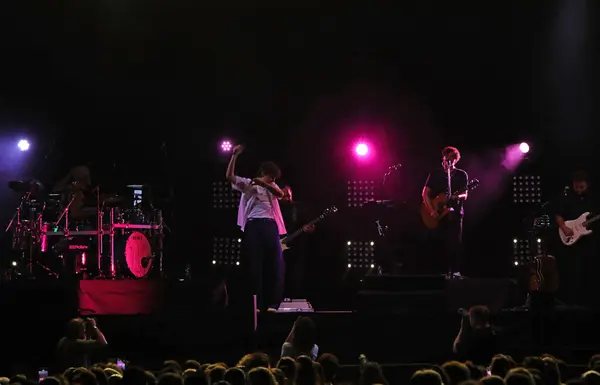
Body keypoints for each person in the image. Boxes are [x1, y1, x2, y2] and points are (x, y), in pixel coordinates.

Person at [226, 145, 286, 312]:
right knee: (254, 265)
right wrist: (234, 156)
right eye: (270, 176)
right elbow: (229, 176)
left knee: (275, 263)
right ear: (263, 173)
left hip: (270, 225)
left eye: (274, 178)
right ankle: (257, 305)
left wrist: (266, 184)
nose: (273, 179)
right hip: (254, 224)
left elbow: (280, 195)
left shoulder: (272, 188)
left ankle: (273, 304)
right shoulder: (248, 184)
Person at [421, 146, 468, 278]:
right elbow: (425, 193)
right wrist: (431, 210)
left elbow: (464, 194)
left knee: (455, 241)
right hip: (439, 214)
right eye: (447, 157)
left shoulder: (461, 174)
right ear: (443, 159)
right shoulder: (435, 174)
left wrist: (456, 197)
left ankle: (456, 271)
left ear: (456, 160)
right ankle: (440, 271)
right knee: (439, 241)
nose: (449, 160)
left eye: (452, 158)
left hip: (456, 212)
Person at [555, 170, 598, 307]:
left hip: (589, 241)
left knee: (590, 271)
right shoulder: (567, 197)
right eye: (576, 187)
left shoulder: (593, 198)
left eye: (582, 187)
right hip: (572, 243)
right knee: (573, 273)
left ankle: (590, 303)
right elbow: (558, 215)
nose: (578, 190)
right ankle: (572, 303)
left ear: (587, 185)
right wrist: (564, 227)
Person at [279, 185, 315, 298]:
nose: (287, 198)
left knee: (295, 278)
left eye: (289, 195)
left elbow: (312, 228)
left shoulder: (299, 208)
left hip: (296, 250)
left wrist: (309, 229)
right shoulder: (273, 208)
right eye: (284, 195)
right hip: (278, 247)